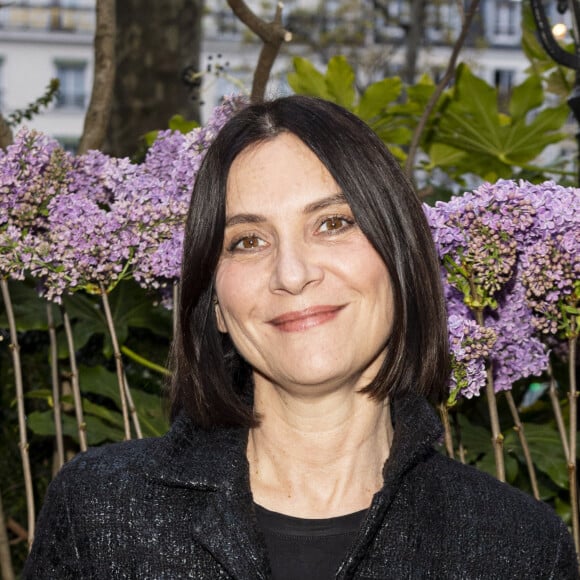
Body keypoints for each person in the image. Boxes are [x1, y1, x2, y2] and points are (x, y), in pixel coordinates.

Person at [24, 96, 578, 579]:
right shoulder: (98, 514)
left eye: (332, 223)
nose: (292, 274)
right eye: (246, 241)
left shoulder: (521, 548)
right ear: (214, 302)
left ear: (401, 258)